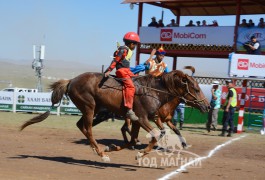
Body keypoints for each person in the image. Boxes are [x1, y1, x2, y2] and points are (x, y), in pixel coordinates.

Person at [104, 32, 140, 121]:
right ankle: (129, 110)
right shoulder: (123, 50)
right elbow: (116, 60)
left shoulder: (128, 50)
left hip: (127, 71)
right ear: (131, 44)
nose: (135, 46)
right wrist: (109, 70)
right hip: (122, 72)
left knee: (139, 79)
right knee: (131, 87)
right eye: (135, 44)